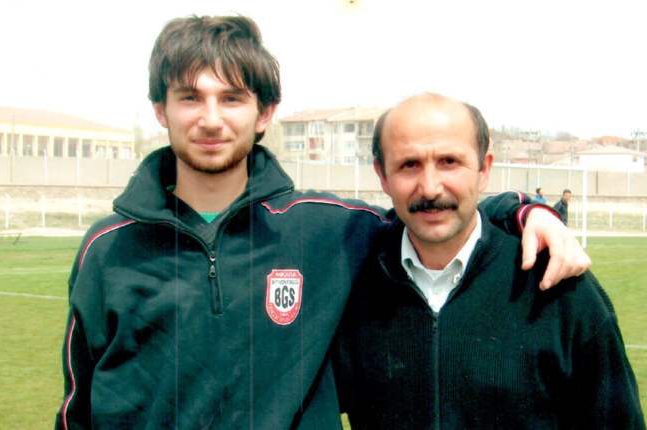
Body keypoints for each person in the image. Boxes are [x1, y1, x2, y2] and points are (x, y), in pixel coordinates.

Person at [55, 16, 591, 430]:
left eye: (232, 99)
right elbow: (76, 409)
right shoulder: (107, 249)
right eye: (190, 97)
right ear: (160, 110)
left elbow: (430, 208)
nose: (211, 119)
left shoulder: (326, 229)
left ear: (264, 113)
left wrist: (523, 208)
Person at [336, 93, 645, 429]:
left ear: (484, 169)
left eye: (449, 162)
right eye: (409, 165)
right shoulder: (348, 287)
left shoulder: (560, 289)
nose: (430, 188)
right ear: (382, 175)